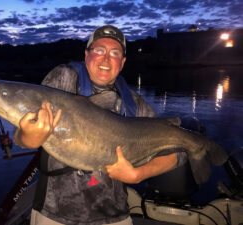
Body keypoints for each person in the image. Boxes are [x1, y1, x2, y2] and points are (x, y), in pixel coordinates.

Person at [14, 25, 184, 225]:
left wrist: (139, 174)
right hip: (55, 214)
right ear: (86, 55)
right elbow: (21, 135)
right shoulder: (64, 79)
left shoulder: (134, 103)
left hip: (115, 217)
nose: (106, 58)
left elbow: (179, 153)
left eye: (114, 53)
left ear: (122, 62)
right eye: (99, 50)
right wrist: (28, 138)